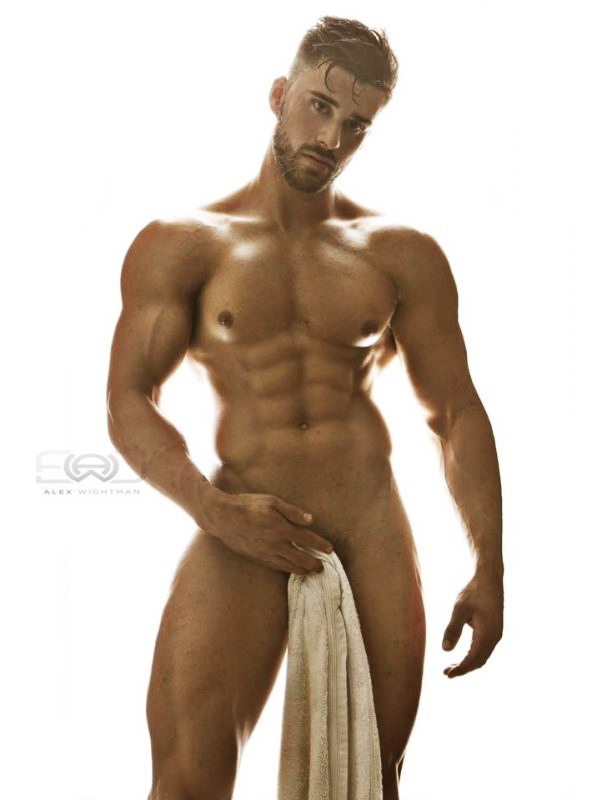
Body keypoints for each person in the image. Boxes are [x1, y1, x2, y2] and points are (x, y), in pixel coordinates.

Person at [106, 15, 504, 800]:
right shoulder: (183, 245)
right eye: (320, 106)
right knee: (184, 782)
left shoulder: (401, 254)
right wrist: (213, 510)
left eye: (356, 124)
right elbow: (126, 399)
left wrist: (489, 566)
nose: (331, 136)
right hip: (242, 524)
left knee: (372, 784)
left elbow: (456, 412)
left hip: (370, 529)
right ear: (279, 94)